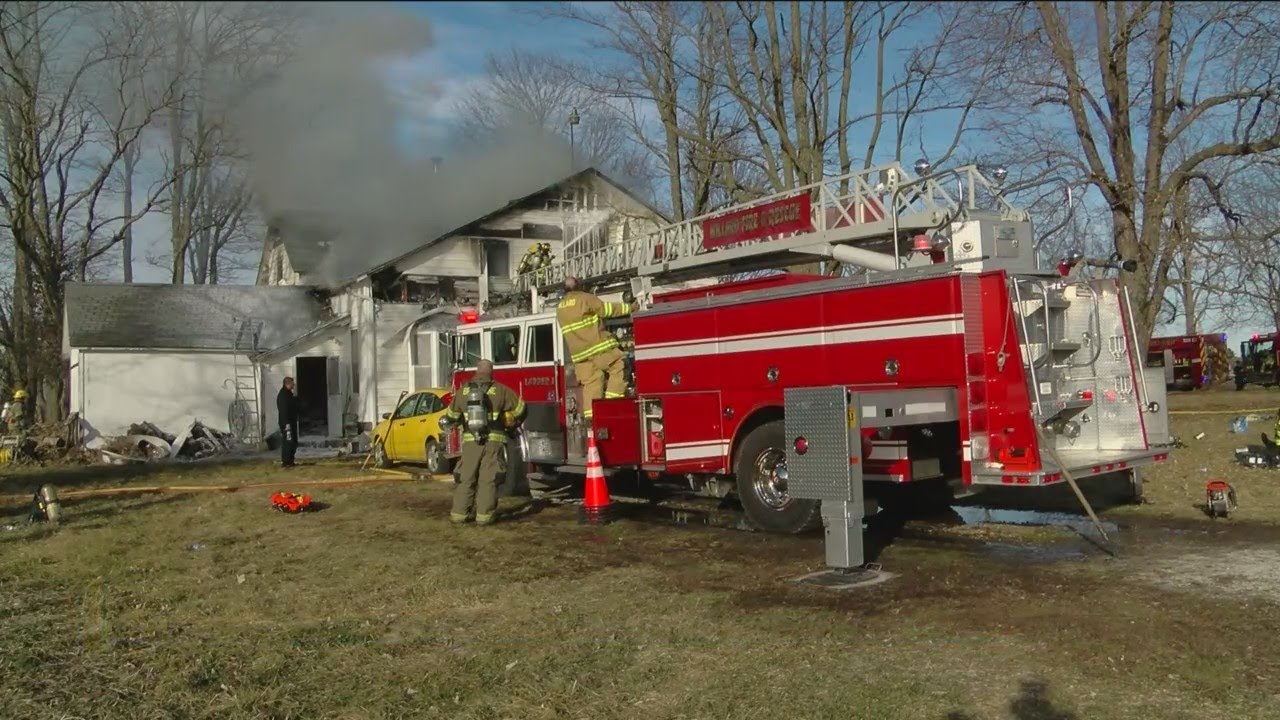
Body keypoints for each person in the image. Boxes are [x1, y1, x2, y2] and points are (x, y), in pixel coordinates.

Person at [441, 360, 525, 525]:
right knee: (488, 479)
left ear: (476, 371)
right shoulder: (501, 390)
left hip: (470, 443)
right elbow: (521, 409)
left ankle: (459, 514)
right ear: (491, 372)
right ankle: (484, 516)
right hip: (494, 442)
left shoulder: (463, 391)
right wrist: (512, 423)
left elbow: (451, 417)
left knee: (466, 477)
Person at [555, 276, 631, 423]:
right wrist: (630, 307)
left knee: (592, 384)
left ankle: (591, 419)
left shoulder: (560, 308)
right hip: (599, 349)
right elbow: (607, 310)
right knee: (619, 367)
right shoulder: (585, 299)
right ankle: (611, 407)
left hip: (580, 357)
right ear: (579, 286)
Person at [277, 377, 299, 468]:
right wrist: (287, 424)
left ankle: (290, 460)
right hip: (287, 424)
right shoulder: (283, 395)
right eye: (292, 384)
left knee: (293, 442)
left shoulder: (288, 394)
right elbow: (284, 411)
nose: (293, 386)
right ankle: (286, 461)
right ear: (287, 384)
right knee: (288, 442)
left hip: (291, 422)